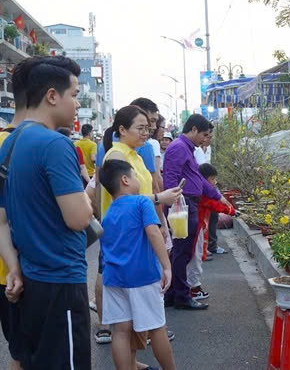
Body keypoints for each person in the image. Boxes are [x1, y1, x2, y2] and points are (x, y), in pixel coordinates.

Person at [0, 56, 93, 369]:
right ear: (52, 96)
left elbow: (2, 221)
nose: (78, 104)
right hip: (61, 285)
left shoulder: (10, 144)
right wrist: (88, 195)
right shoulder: (55, 145)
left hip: (29, 282)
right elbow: (79, 218)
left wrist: (13, 268)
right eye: (75, 95)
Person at [97, 105, 181, 359]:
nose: (147, 132)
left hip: (125, 246)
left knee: (122, 327)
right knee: (155, 324)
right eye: (141, 128)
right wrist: (159, 198)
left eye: (149, 127)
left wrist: (161, 219)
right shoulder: (117, 158)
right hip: (136, 246)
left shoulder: (133, 154)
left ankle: (132, 364)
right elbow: (137, 201)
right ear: (122, 129)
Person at [99, 159, 176, 370]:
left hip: (113, 278)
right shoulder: (142, 202)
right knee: (157, 328)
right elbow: (153, 232)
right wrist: (167, 266)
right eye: (134, 176)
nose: (137, 180)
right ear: (125, 180)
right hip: (142, 276)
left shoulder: (108, 213)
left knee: (121, 332)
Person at [163, 114, 231, 310]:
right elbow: (171, 179)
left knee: (183, 251)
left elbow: (198, 179)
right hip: (183, 206)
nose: (205, 139)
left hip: (188, 204)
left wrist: (217, 196)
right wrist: (175, 208)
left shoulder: (186, 148)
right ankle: (181, 296)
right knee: (182, 252)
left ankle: (175, 293)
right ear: (193, 130)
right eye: (204, 134)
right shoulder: (178, 148)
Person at [0, 56, 37, 370]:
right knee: (26, 355)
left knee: (20, 354)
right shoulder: (38, 145)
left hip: (8, 273)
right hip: (27, 272)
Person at [187, 163, 238, 301]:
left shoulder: (198, 189)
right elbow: (213, 204)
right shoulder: (203, 193)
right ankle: (194, 289)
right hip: (196, 227)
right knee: (195, 257)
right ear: (204, 179)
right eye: (212, 179)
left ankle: (191, 287)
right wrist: (231, 211)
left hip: (198, 226)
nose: (214, 182)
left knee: (195, 256)